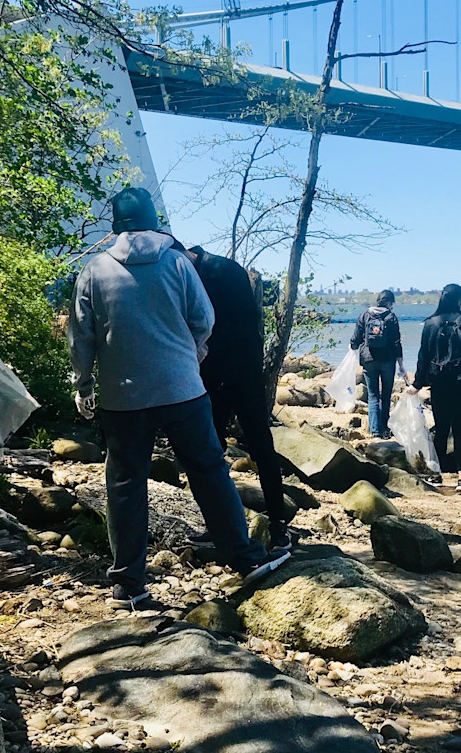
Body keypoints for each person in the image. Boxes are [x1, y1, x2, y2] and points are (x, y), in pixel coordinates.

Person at [68, 187, 290, 607]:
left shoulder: (94, 270)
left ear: (115, 226)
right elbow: (205, 319)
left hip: (123, 397)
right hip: (183, 391)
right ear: (154, 221)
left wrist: (84, 385)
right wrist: (191, 351)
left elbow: (81, 338)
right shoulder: (176, 263)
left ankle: (128, 584)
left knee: (126, 484)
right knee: (209, 471)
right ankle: (245, 558)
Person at [182, 243, 293, 552]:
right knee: (210, 452)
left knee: (261, 448)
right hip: (209, 374)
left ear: (186, 255)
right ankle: (218, 526)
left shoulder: (224, 270)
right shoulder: (193, 270)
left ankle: (278, 525)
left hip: (241, 374)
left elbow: (242, 327)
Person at [409, 284, 461, 494]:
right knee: (460, 431)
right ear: (460, 300)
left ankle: (436, 474)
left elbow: (423, 357)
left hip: (438, 383)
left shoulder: (430, 323)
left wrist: (417, 384)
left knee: (440, 429)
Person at [350, 290, 408, 438]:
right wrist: (401, 363)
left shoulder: (365, 314)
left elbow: (356, 338)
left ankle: (375, 431)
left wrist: (353, 348)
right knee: (386, 395)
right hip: (388, 361)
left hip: (368, 359)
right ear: (389, 302)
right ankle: (385, 430)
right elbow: (397, 342)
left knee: (373, 395)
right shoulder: (391, 317)